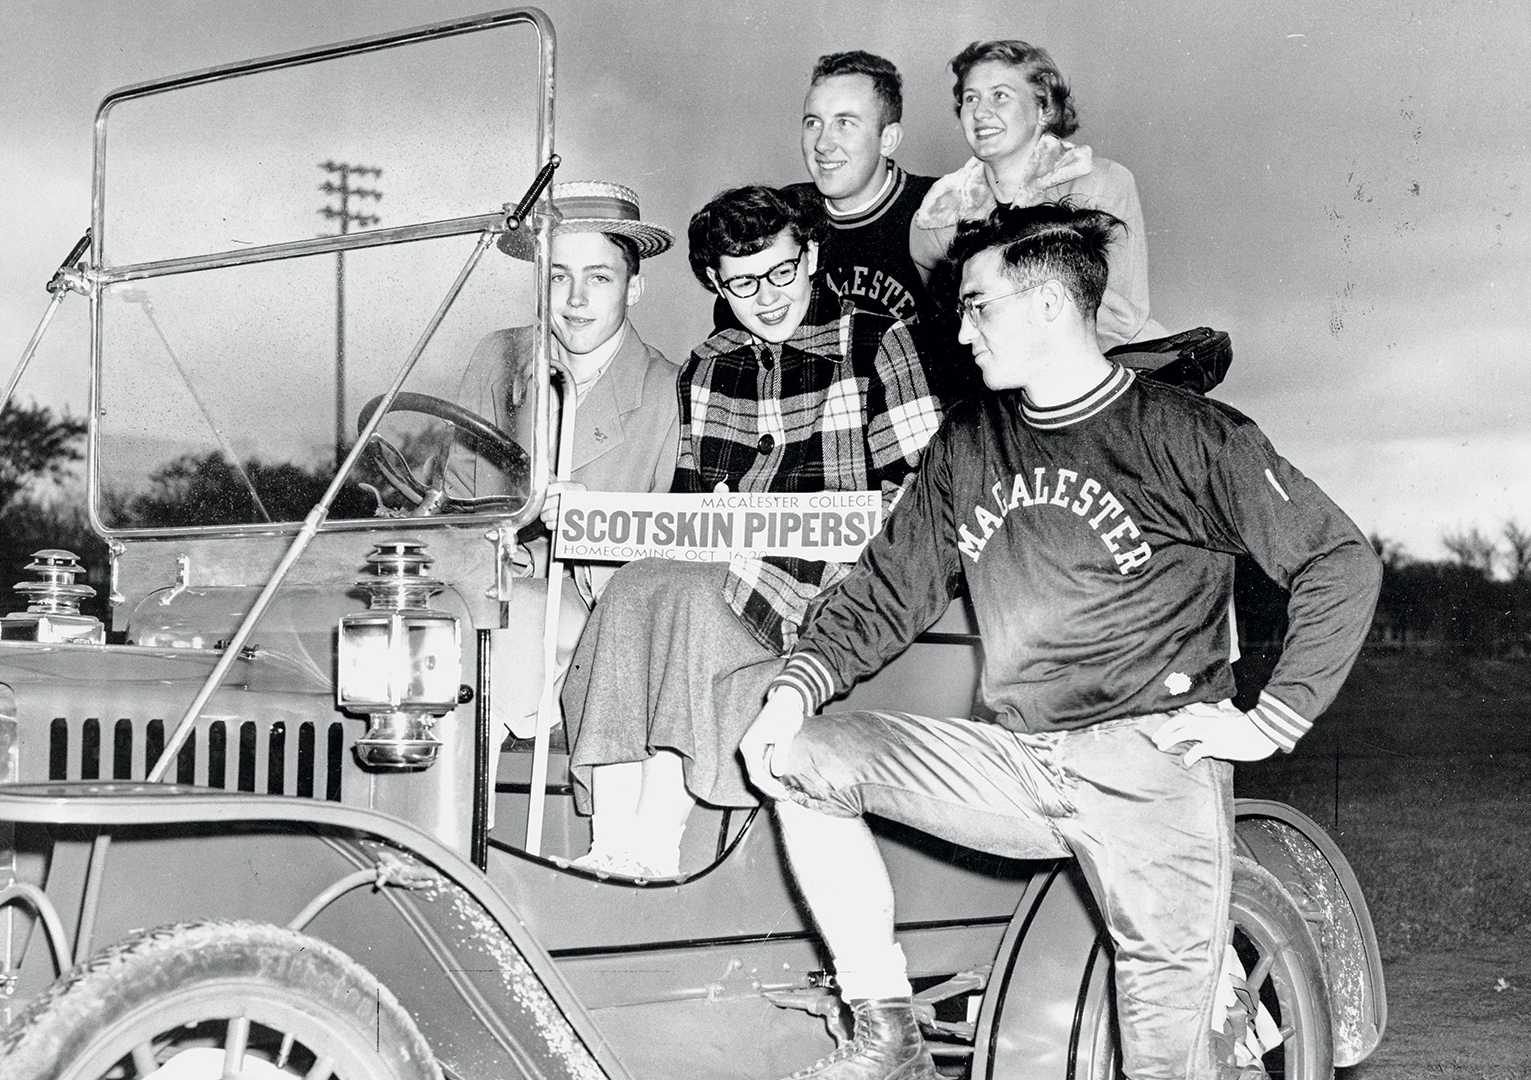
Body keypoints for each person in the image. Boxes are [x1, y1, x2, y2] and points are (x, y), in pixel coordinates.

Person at [738, 203, 1381, 1080]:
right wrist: (791, 692)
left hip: (1149, 768)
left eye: (977, 307)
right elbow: (888, 587)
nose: (961, 334)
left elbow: (1340, 559)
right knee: (798, 756)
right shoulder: (969, 442)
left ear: (1048, 306)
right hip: (1019, 760)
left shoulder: (1184, 432)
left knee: (1167, 1066)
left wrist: (1269, 719)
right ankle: (888, 1035)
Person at [561, 185, 942, 878]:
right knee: (636, 586)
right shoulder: (708, 365)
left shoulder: (878, 339)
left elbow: (922, 488)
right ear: (715, 283)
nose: (766, 296)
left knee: (691, 600)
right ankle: (607, 839)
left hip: (837, 578)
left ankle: (653, 845)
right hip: (726, 567)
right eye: (740, 283)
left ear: (813, 255)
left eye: (781, 271)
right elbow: (687, 504)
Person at [446, 180, 682, 737]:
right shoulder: (499, 357)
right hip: (488, 589)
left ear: (635, 287)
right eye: (558, 276)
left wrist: (593, 529)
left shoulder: (672, 392)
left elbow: (670, 563)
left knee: (505, 629)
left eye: (599, 277)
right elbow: (458, 499)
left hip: (596, 614)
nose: (575, 300)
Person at [713, 53, 970, 398]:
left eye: (845, 123)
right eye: (813, 123)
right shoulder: (783, 215)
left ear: (888, 139)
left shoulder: (940, 211)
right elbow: (733, 334)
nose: (823, 144)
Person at [910, 39, 1166, 350]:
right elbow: (957, 332)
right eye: (970, 98)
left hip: (1111, 364)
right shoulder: (936, 222)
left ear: (1043, 108)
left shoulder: (1102, 184)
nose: (981, 112)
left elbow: (1116, 319)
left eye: (1000, 95)